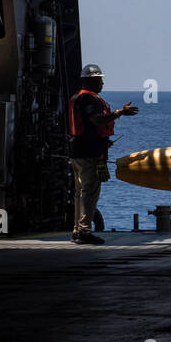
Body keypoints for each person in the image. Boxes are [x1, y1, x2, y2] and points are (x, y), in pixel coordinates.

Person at [68, 63, 138, 244]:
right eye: (99, 80)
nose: (102, 84)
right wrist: (119, 113)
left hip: (78, 152)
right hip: (89, 154)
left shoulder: (77, 98)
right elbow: (97, 119)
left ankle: (77, 229)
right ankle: (84, 231)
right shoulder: (89, 100)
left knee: (80, 192)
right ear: (90, 81)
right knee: (89, 192)